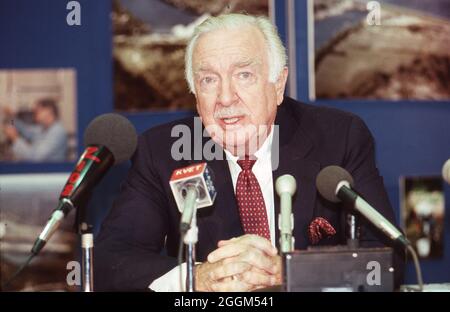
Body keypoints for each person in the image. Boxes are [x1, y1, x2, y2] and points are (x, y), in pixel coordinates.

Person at [94, 13, 403, 291]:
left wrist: (287, 272)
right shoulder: (162, 152)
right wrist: (196, 278)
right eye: (208, 80)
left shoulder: (339, 138)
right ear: (194, 94)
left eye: (244, 75)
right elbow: (108, 262)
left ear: (278, 84)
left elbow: (390, 257)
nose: (226, 98)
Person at [3, 98, 68, 162]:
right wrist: (11, 117)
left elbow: (35, 157)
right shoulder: (43, 128)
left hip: (49, 171)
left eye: (38, 110)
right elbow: (25, 130)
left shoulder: (57, 132)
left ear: (49, 111)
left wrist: (15, 138)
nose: (34, 112)